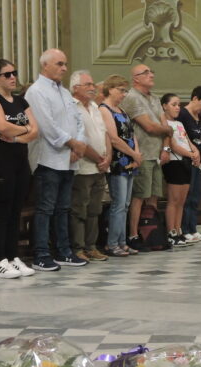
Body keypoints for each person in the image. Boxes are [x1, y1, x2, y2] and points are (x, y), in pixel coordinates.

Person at [24, 48, 88, 271]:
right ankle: (41, 254)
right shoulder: (36, 91)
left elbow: (79, 120)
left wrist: (79, 145)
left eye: (65, 63)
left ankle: (64, 251)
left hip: (69, 158)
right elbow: (46, 126)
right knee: (45, 208)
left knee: (64, 208)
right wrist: (72, 143)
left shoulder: (65, 92)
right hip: (48, 159)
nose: (64, 68)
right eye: (60, 64)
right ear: (45, 66)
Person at [0, 59, 38, 279]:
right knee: (2, 210)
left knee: (16, 210)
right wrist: (25, 129)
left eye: (14, 73)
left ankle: (13, 257)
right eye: (7, 74)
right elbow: (1, 126)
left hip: (19, 160)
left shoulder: (20, 101)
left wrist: (17, 136)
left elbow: (36, 131)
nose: (12, 77)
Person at [121, 64, 172, 252]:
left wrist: (166, 147)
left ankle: (150, 233)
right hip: (142, 154)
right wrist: (167, 129)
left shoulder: (155, 98)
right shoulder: (132, 98)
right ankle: (134, 234)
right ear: (136, 78)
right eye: (146, 73)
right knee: (139, 196)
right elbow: (150, 127)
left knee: (154, 195)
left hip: (158, 153)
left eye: (152, 71)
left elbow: (165, 125)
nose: (151, 75)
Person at [69, 70, 110, 262]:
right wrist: (98, 159)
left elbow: (105, 135)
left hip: (100, 167)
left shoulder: (95, 107)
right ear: (75, 88)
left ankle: (91, 246)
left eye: (93, 85)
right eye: (88, 85)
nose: (93, 88)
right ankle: (78, 247)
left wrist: (107, 157)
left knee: (95, 210)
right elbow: (80, 140)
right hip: (84, 167)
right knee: (80, 209)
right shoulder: (72, 107)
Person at [100, 75, 142, 257]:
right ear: (110, 89)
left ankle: (122, 242)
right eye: (121, 90)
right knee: (118, 204)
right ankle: (112, 243)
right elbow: (114, 138)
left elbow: (132, 134)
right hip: (119, 161)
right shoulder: (104, 109)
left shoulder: (122, 110)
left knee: (125, 204)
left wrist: (137, 153)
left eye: (125, 90)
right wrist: (133, 154)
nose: (124, 94)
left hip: (131, 160)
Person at [160, 93, 199, 247]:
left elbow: (188, 141)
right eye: (173, 104)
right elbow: (174, 145)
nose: (177, 108)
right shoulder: (165, 124)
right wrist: (190, 154)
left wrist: (195, 152)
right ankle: (171, 232)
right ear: (164, 106)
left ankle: (179, 229)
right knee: (173, 200)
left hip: (186, 162)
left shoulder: (180, 124)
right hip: (174, 162)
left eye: (178, 105)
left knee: (181, 201)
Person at [178, 86, 201, 242]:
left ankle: (193, 228)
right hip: (186, 160)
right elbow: (181, 138)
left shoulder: (199, 117)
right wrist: (192, 153)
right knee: (187, 196)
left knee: (196, 196)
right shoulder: (183, 115)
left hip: (199, 162)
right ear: (194, 98)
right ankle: (184, 229)